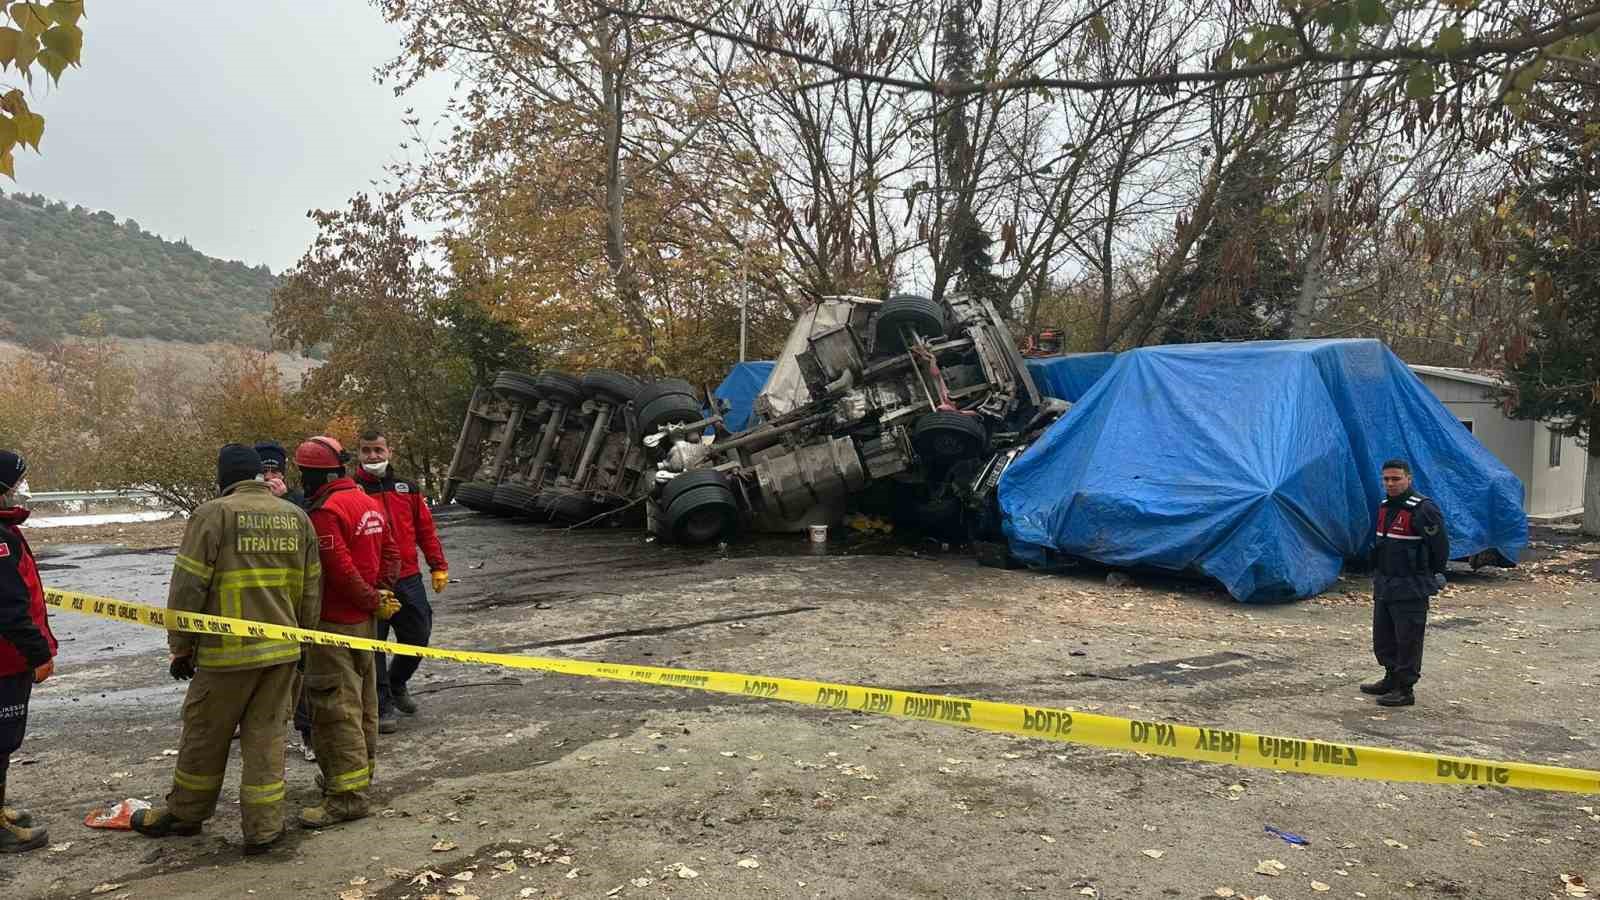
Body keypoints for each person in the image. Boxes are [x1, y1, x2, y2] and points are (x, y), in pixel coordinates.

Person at [130, 445, 321, 855]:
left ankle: (186, 813)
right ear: (258, 475)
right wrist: (305, 639)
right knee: (268, 739)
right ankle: (264, 829)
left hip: (225, 655)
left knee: (204, 734)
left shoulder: (212, 514)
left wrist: (180, 648)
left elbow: (187, 587)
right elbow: (310, 588)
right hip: (283, 653)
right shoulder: (296, 516)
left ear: (224, 477)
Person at [295, 436, 400, 829]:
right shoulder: (363, 500)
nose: (301, 481)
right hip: (365, 622)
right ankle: (357, 776)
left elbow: (339, 570)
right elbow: (392, 550)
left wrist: (370, 598)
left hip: (334, 624)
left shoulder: (326, 510)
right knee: (365, 704)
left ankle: (347, 797)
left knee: (335, 710)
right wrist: (381, 594)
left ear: (314, 474)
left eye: (303, 474)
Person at [355, 428, 448, 734]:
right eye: (366, 451)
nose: (373, 457)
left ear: (389, 452)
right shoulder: (351, 490)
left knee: (419, 635)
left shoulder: (406, 488)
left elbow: (425, 530)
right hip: (372, 581)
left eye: (378, 450)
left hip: (408, 578)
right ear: (358, 454)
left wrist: (438, 565)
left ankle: (397, 683)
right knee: (374, 646)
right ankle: (382, 706)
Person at [0, 451, 55, 854]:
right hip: (6, 660)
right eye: (15, 484)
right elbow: (9, 608)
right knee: (0, 741)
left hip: (8, 657)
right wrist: (39, 654)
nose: (18, 491)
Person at [1360, 458, 1449, 708]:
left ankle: (1405, 688)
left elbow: (1439, 548)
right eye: (1386, 479)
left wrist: (1434, 574)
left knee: (1408, 638)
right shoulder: (1385, 507)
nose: (1390, 483)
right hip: (1386, 584)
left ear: (1409, 479)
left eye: (1396, 478)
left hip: (1411, 585)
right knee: (1383, 636)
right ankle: (1390, 677)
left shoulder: (1423, 509)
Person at [255, 441, 307, 510]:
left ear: (282, 474)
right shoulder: (245, 496)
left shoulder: (298, 498)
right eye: (263, 471)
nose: (268, 477)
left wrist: (284, 498)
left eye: (274, 472)